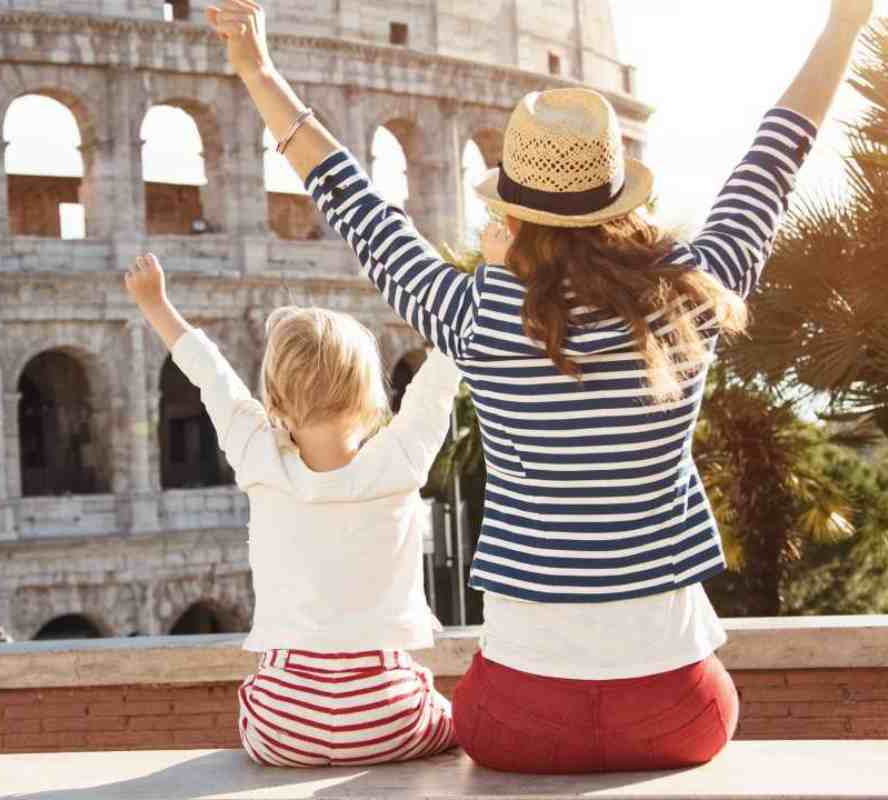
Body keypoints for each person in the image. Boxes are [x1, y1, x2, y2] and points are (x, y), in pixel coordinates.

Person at [208, 0, 875, 774]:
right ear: (619, 197)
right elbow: (776, 157)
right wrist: (841, 29)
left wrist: (259, 72)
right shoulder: (690, 298)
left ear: (514, 213)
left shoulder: (475, 316)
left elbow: (355, 204)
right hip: (677, 712)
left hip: (519, 719)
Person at [125, 253, 461, 766]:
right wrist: (500, 273)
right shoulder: (400, 461)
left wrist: (156, 304)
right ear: (372, 396)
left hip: (282, 724)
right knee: (457, 713)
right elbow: (438, 381)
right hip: (388, 715)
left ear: (275, 400)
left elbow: (210, 374)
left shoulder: (258, 456)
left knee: (260, 708)